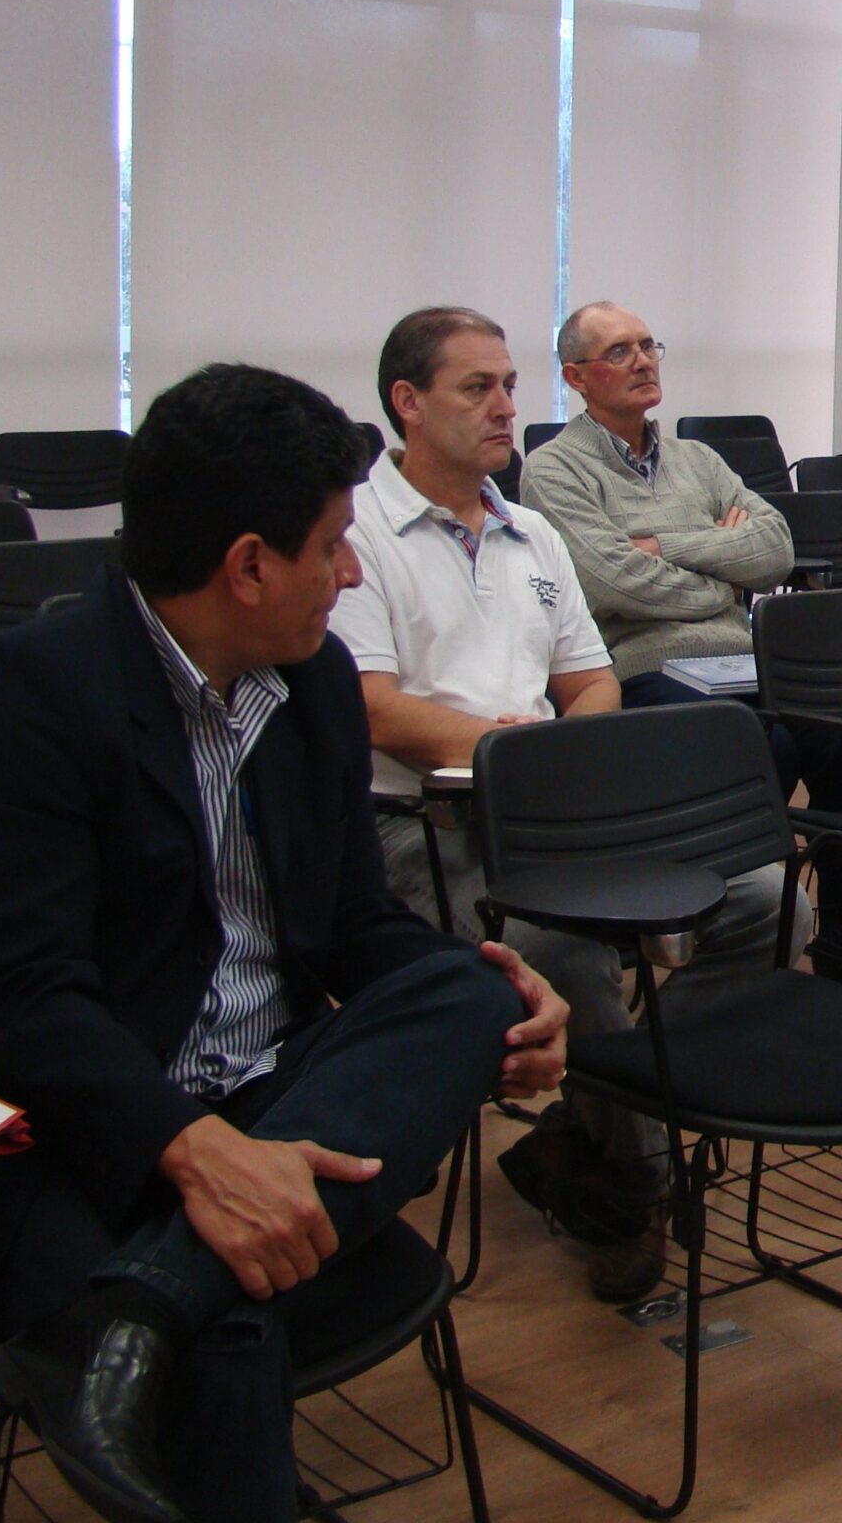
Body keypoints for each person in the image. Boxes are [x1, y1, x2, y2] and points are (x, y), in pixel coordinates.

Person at [0, 363, 567, 1523]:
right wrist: (192, 1150)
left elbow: (349, 929)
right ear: (246, 567)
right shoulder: (28, 698)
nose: (350, 574)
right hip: (51, 1128)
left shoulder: (315, 683)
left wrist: (503, 991)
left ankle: (138, 1309)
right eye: (334, 546)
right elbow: (21, 1005)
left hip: (261, 1100)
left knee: (469, 993)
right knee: (234, 1323)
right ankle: (177, 1316)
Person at [329, 305, 791, 1301]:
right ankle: (643, 1182)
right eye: (478, 388)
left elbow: (590, 678)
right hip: (426, 823)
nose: (507, 406)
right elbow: (372, 708)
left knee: (768, 895)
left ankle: (628, 1118)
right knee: (567, 957)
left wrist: (557, 767)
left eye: (508, 384)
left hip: (553, 815)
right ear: (409, 403)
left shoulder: (527, 529)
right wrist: (518, 759)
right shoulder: (356, 533)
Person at [519, 298, 842, 1001]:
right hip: (643, 664)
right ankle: (738, 930)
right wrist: (722, 576)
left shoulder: (696, 458)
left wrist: (671, 548)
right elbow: (607, 580)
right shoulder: (554, 469)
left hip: (745, 659)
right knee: (751, 747)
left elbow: (776, 551)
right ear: (575, 377)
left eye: (650, 345)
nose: (644, 360)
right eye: (619, 351)